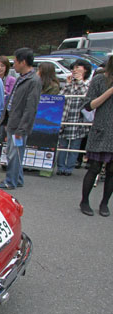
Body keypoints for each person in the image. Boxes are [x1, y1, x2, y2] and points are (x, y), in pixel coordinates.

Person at [0, 48, 42, 190]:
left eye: (15, 61)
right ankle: (18, 179)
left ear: (23, 62)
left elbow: (30, 107)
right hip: (12, 121)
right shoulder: (22, 77)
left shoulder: (33, 80)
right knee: (15, 152)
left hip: (19, 125)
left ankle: (10, 181)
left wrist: (22, 128)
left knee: (14, 153)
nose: (13, 64)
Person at [79, 56, 113, 217]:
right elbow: (89, 105)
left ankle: (104, 203)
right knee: (94, 168)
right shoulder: (100, 79)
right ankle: (84, 201)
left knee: (112, 171)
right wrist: (110, 91)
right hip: (101, 129)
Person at [57, 59, 92, 176]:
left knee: (75, 145)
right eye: (74, 68)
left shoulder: (87, 83)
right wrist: (68, 84)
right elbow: (60, 97)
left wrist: (80, 81)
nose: (75, 70)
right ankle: (60, 166)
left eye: (78, 67)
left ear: (85, 69)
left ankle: (69, 168)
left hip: (79, 119)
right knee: (63, 144)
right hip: (65, 117)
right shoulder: (69, 84)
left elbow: (87, 97)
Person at [0, 56, 17, 168]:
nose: (0, 68)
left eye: (2, 66)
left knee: (2, 136)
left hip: (5, 112)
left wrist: (3, 89)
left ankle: (3, 159)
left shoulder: (11, 80)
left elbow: (12, 95)